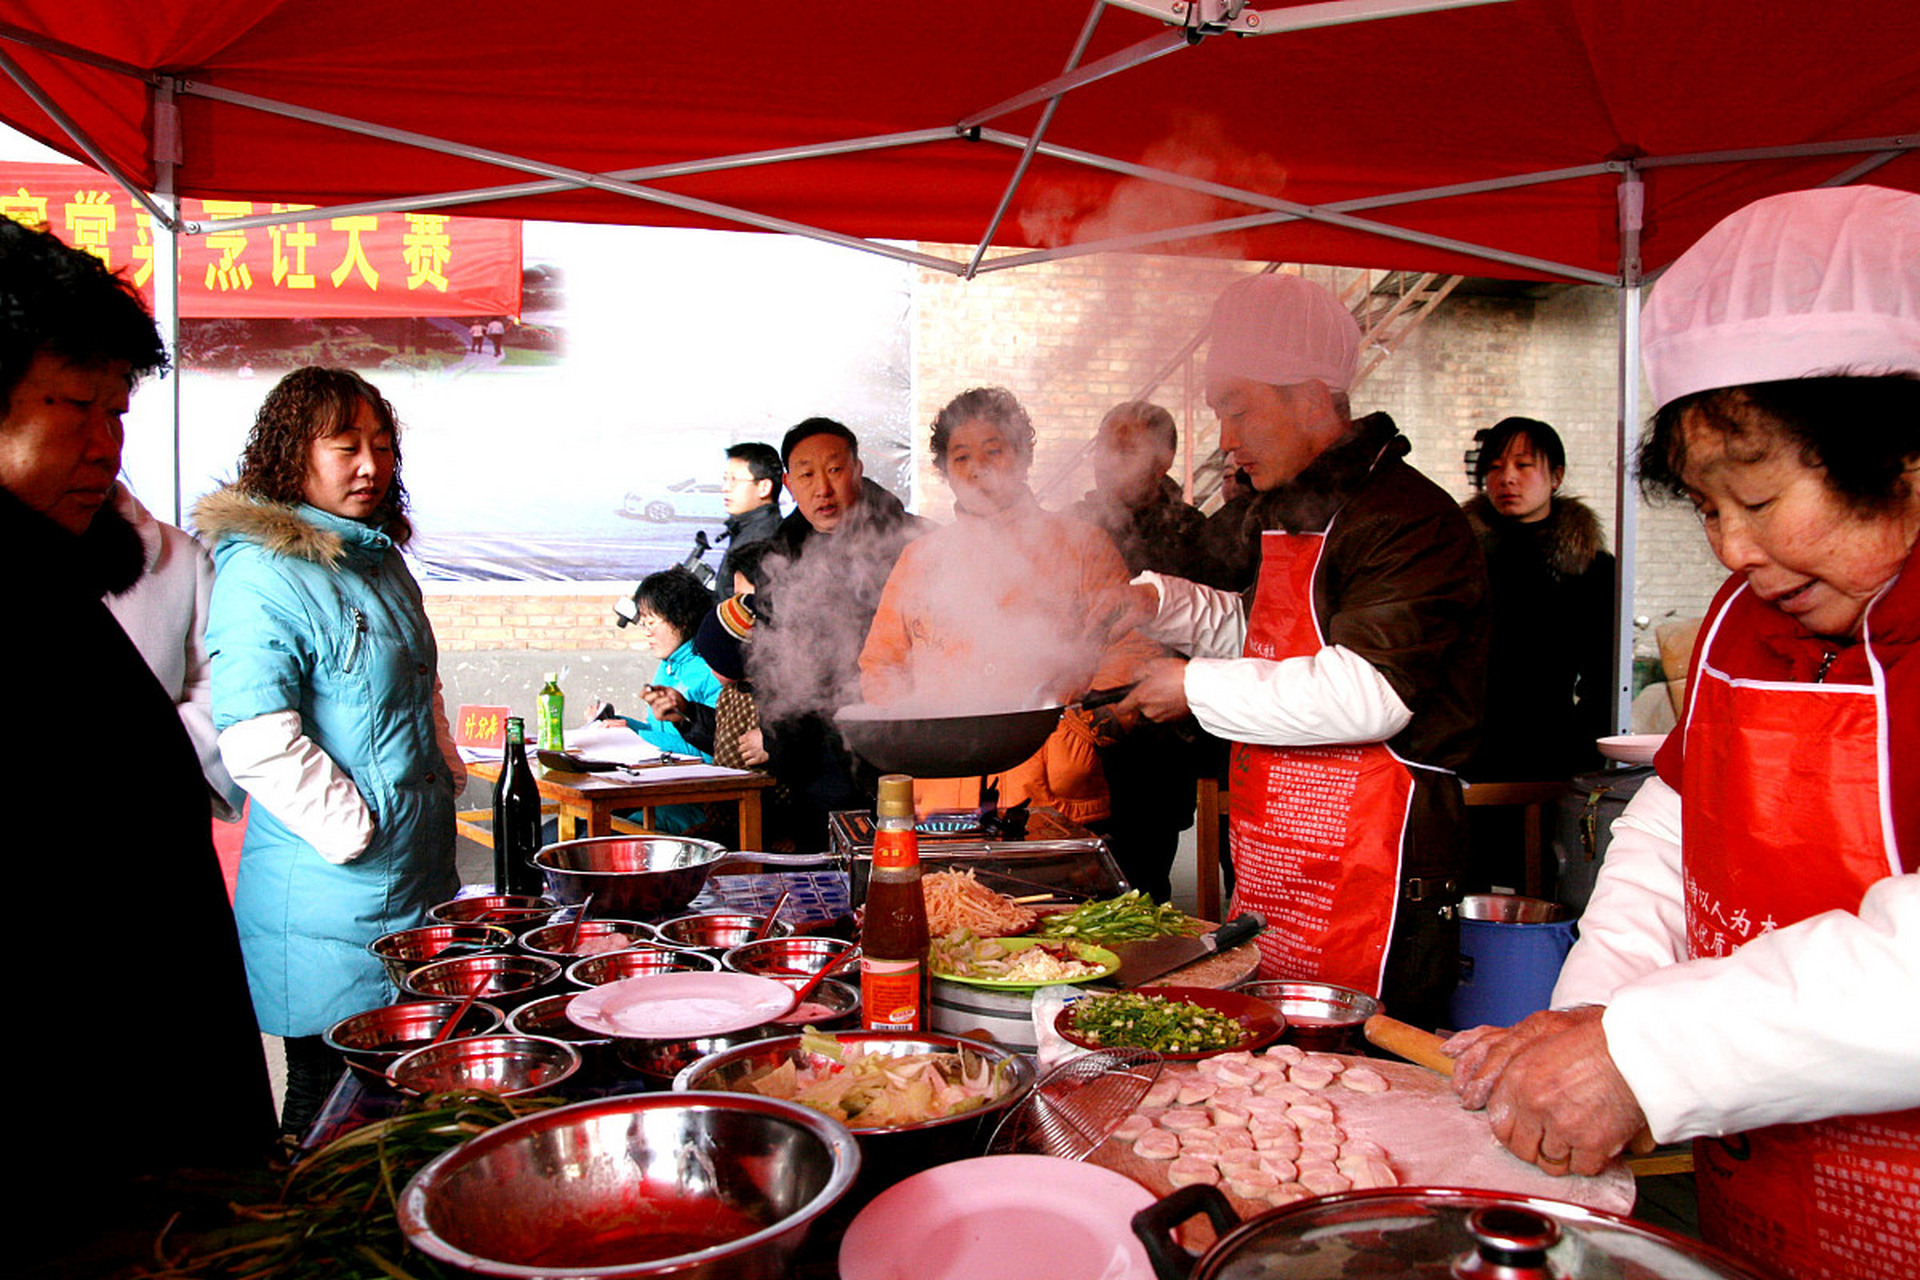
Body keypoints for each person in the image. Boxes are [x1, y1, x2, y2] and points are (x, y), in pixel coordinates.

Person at [1446, 185, 1919, 1280]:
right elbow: (1683, 815)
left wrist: (1651, 1049)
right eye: (1707, 506)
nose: (1732, 549)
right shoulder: (1750, 618)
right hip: (1770, 1199)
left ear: (1904, 450)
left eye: (1754, 494)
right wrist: (1592, 1019)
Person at [1119, 273, 1490, 1032]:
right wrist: (1159, 603)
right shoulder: (1298, 507)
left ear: (1314, 397)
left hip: (1370, 880)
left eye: (1239, 408)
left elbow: (1367, 692)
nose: (1225, 436)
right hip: (1277, 862)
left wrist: (1189, 688)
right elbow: (1267, 639)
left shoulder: (1408, 519)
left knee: (1357, 1094)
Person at [4, 219, 273, 1258]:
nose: (107, 441)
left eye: (118, 408)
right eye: (74, 404)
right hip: (86, 1162)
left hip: (157, 1149)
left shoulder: (52, 575)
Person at [199, 366, 463, 1136]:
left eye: (382, 447)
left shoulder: (377, 561)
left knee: (396, 1097)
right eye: (345, 446)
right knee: (325, 1099)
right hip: (327, 888)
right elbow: (253, 737)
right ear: (293, 456)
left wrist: (444, 768)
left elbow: (418, 679)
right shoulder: (264, 572)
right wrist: (358, 829)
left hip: (412, 875)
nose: (370, 466)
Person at [861, 387, 1162, 827]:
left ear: (1023, 457)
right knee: (950, 897)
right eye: (960, 457)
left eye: (993, 451)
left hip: (1053, 794)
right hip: (942, 789)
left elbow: (1132, 649)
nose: (977, 468)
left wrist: (1077, 734)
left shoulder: (1083, 546)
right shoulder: (920, 559)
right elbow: (881, 663)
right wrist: (920, 733)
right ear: (946, 471)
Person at [752, 417, 927, 846]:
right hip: (817, 757)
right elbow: (770, 661)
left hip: (904, 746)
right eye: (807, 475)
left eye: (834, 470)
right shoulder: (778, 557)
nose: (823, 489)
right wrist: (778, 752)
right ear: (789, 485)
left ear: (858, 469)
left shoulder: (916, 541)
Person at [1067, 399, 1215, 897]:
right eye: (1104, 444)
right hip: (1070, 743)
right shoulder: (1065, 528)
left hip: (1154, 751)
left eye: (1126, 446)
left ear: (1164, 458)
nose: (1109, 457)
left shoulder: (1197, 535)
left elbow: (1215, 639)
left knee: (1143, 891)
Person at [1461, 417, 1615, 784]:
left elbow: (1604, 679)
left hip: (1554, 758)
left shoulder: (1589, 567)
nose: (1507, 478)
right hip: (1464, 752)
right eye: (1494, 468)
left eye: (1523, 465)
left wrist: (1580, 750)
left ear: (1556, 476)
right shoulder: (1455, 559)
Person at [103, 479, 246, 818]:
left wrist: (157, 770)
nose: (102, 448)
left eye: (111, 423)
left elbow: (218, 685)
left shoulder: (179, 555)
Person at [625, 564, 725, 762]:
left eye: (652, 623)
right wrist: (620, 726)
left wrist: (634, 737)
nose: (647, 632)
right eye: (644, 624)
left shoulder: (712, 669)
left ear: (680, 619)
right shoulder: (668, 665)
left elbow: (712, 750)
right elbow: (658, 733)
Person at [718, 441, 783, 596]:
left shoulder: (760, 541)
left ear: (764, 488)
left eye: (734, 480)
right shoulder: (748, 530)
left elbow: (740, 611)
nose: (725, 488)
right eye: (725, 479)